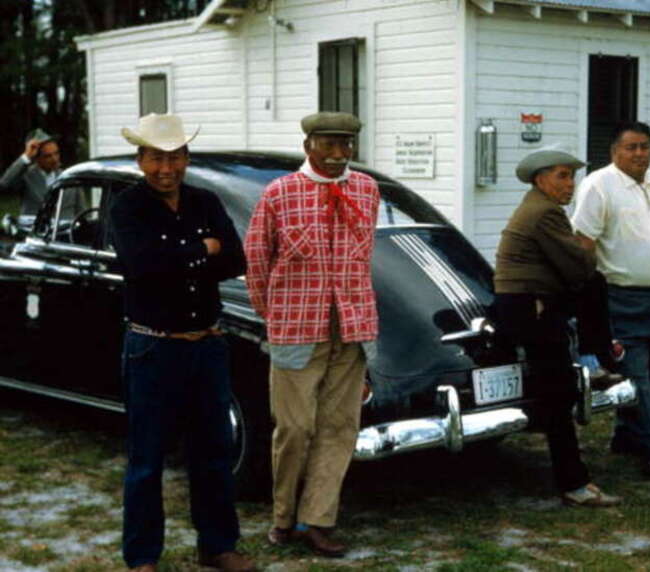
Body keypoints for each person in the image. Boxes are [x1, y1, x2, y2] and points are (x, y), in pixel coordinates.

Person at [110, 113, 253, 572]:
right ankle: (142, 558)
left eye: (174, 158)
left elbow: (235, 259)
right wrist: (201, 250)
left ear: (186, 158)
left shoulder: (205, 201)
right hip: (153, 347)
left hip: (207, 345)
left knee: (213, 452)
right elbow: (142, 265)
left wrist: (179, 257)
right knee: (147, 458)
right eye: (156, 158)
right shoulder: (127, 208)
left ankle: (217, 545)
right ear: (140, 160)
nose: (166, 168)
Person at [244, 112, 380, 556]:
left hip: (352, 327)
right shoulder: (279, 193)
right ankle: (283, 517)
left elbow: (365, 256)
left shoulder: (367, 189)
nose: (339, 154)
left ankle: (316, 520)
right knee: (295, 428)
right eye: (329, 145)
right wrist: (275, 316)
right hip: (296, 328)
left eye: (346, 145)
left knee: (339, 427)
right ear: (308, 146)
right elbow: (257, 260)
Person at [494, 147, 621, 507]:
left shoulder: (539, 206)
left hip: (530, 302)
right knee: (558, 391)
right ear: (540, 179)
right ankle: (574, 484)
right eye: (562, 176)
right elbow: (579, 266)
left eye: (572, 176)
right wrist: (588, 248)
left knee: (557, 389)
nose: (570, 184)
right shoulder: (545, 213)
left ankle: (596, 358)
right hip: (529, 306)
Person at [572, 121, 650, 478]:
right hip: (624, 297)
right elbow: (584, 242)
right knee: (635, 374)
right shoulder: (598, 185)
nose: (639, 154)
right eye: (631, 147)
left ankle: (628, 436)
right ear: (614, 151)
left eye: (645, 146)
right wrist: (591, 295)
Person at [0, 129, 83, 218]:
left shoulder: (70, 177)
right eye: (48, 156)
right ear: (36, 158)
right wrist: (26, 156)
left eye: (56, 153)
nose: (55, 159)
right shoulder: (27, 177)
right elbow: (5, 183)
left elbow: (82, 213)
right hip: (34, 226)